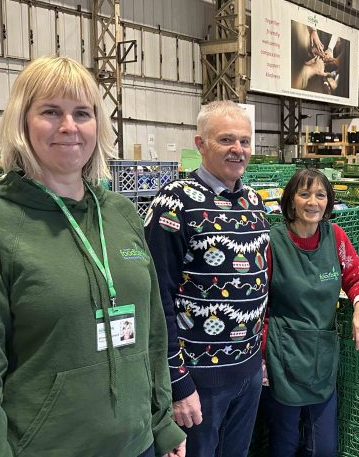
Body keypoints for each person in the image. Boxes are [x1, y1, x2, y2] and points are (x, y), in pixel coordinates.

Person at [0, 55, 186, 457]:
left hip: (137, 446)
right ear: (22, 122)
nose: (69, 127)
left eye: (82, 113)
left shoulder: (121, 213)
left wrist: (161, 422)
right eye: (51, 112)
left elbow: (152, 331)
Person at [145, 100, 268, 457]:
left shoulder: (254, 202)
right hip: (199, 380)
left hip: (247, 374)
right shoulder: (174, 203)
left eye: (244, 141)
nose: (238, 149)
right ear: (200, 144)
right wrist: (177, 382)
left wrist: (257, 360)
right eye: (226, 139)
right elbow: (157, 297)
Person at [263, 168, 359, 457]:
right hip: (283, 356)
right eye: (304, 194)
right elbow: (259, 303)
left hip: (321, 356)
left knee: (323, 447)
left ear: (328, 202)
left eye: (320, 195)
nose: (313, 202)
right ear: (290, 202)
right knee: (284, 444)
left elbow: (356, 277)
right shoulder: (273, 242)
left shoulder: (334, 237)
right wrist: (261, 357)